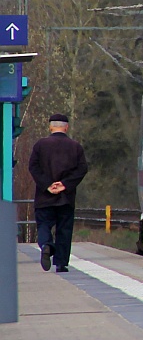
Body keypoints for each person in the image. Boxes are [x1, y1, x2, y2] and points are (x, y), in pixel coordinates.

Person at [28, 113, 89, 273]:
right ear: (66, 127)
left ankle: (47, 245)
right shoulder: (75, 147)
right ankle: (61, 263)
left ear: (50, 126)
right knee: (64, 229)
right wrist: (65, 184)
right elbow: (82, 168)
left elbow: (33, 167)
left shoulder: (40, 145)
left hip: (44, 197)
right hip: (66, 197)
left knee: (44, 225)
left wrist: (47, 185)